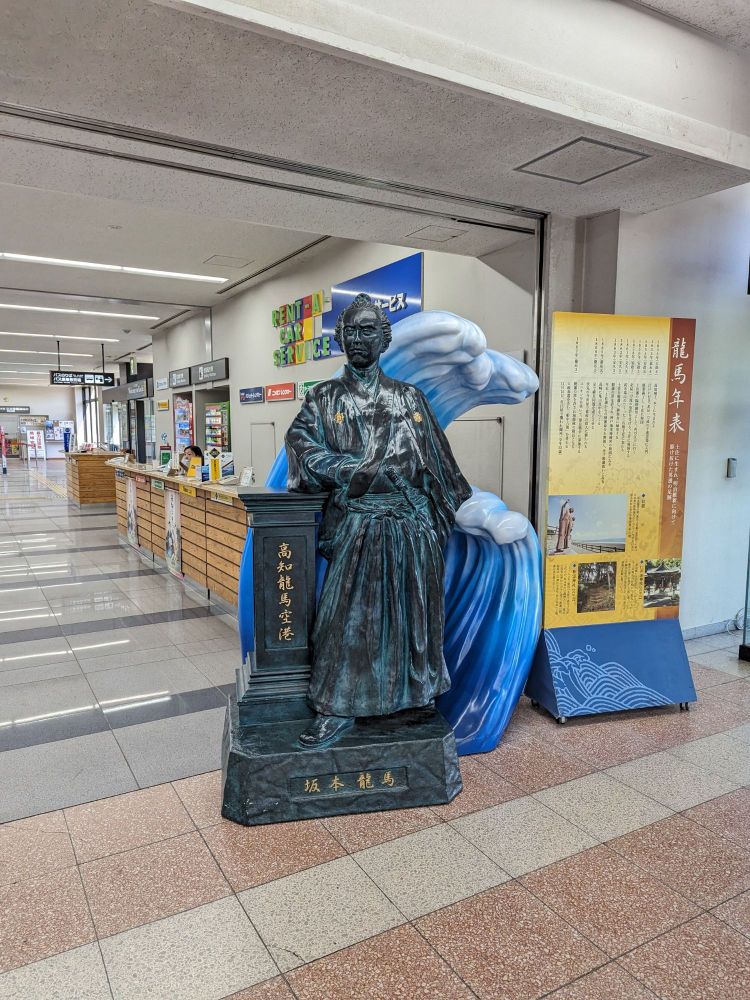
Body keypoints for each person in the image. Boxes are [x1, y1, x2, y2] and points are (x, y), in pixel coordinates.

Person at [285, 293, 472, 750]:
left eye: (368, 330)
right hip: (359, 525)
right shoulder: (324, 398)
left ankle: (411, 699)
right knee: (347, 621)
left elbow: (441, 468)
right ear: (340, 338)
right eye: (350, 330)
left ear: (384, 339)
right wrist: (349, 470)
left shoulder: (409, 398)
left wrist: (431, 519)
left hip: (410, 527)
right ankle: (337, 705)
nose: (358, 338)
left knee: (411, 618)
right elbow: (302, 447)